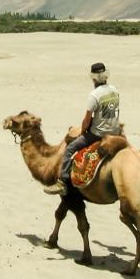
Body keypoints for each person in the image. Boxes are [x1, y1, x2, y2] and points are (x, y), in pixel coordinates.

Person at [43, 62, 120, 195]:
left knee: (69, 149)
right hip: (115, 132)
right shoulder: (114, 90)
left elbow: (87, 120)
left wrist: (83, 132)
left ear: (93, 78)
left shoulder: (94, 95)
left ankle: (62, 182)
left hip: (98, 134)